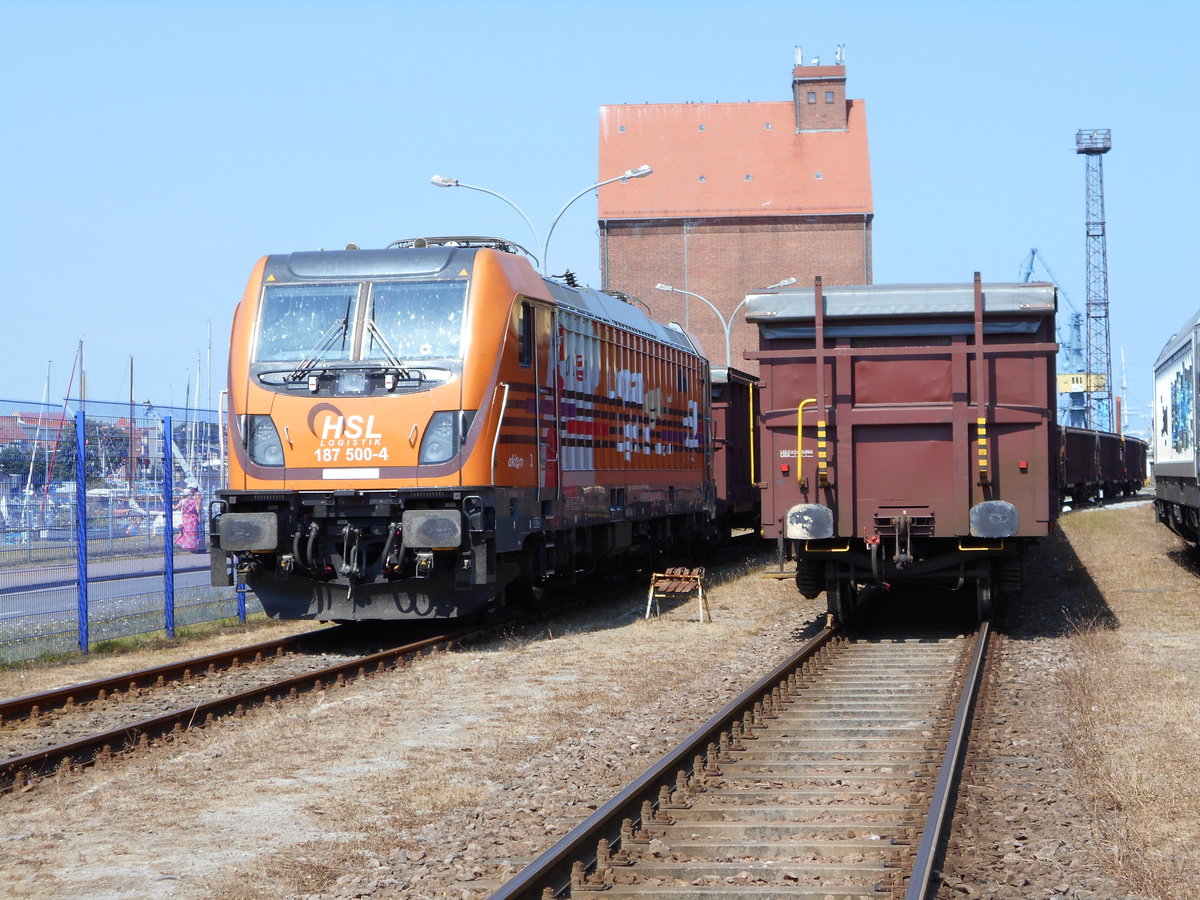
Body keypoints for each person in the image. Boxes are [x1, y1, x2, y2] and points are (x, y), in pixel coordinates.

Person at [174, 485, 203, 552]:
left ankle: (186, 546)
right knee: (193, 533)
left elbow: (176, 508)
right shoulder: (195, 501)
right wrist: (199, 517)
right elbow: (198, 510)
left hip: (186, 518)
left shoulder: (183, 501)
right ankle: (194, 547)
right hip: (193, 518)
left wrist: (172, 506)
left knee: (186, 533)